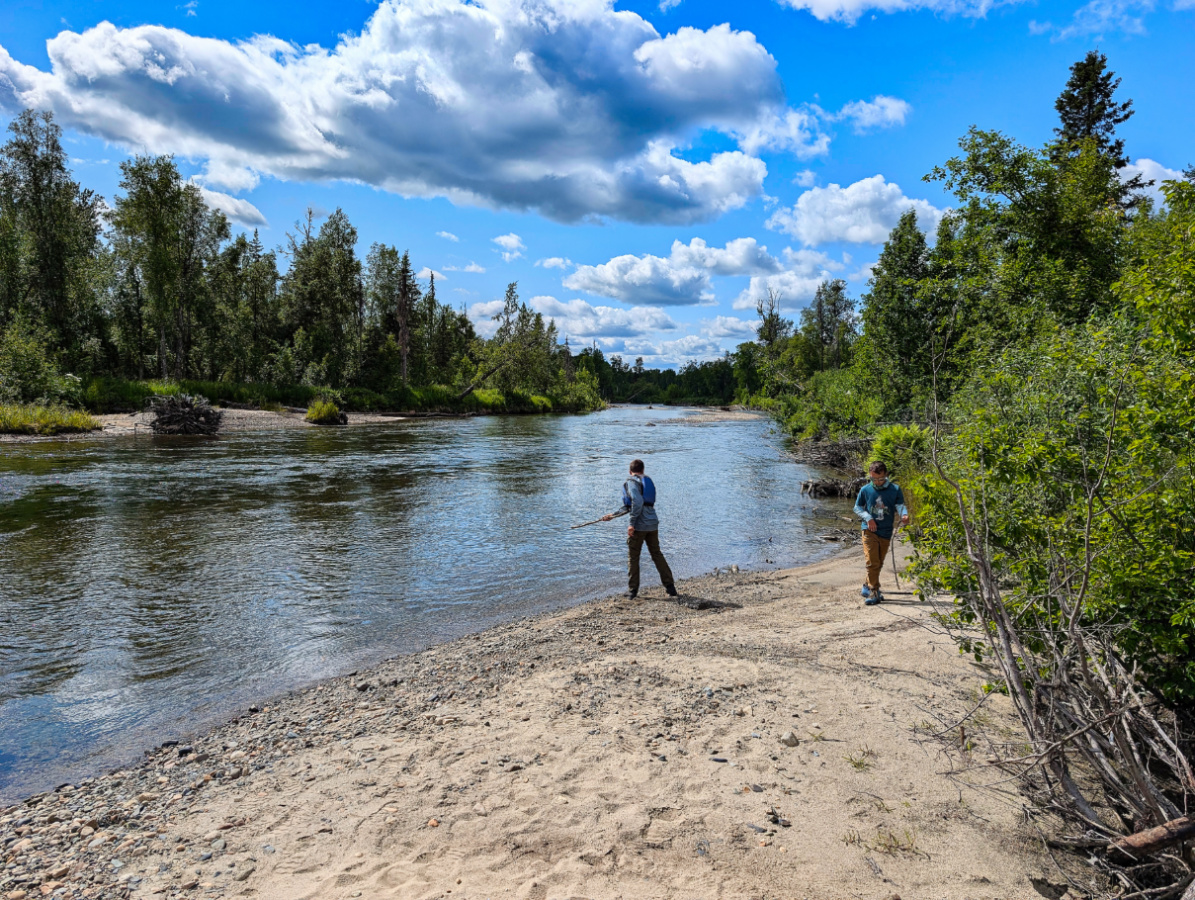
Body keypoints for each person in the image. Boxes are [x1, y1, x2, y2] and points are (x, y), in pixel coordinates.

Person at [601, 459, 678, 600]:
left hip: (640, 526)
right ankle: (670, 587)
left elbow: (637, 501)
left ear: (630, 471)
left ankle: (632, 591)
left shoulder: (631, 482)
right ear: (643, 470)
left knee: (633, 556)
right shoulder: (647, 481)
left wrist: (631, 523)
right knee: (656, 554)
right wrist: (612, 515)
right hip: (653, 523)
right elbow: (633, 505)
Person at [853, 461, 909, 606]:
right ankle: (874, 591)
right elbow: (857, 507)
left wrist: (904, 515)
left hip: (886, 531)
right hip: (869, 530)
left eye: (880, 479)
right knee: (872, 562)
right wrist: (868, 518)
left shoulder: (895, 490)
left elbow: (900, 506)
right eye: (873, 479)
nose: (877, 482)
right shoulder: (865, 489)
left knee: (878, 563)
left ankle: (866, 585)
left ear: (886, 475)